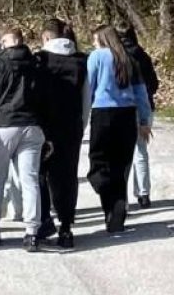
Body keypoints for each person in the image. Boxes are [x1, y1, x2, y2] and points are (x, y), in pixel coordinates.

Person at [0, 28, 48, 251]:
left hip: (4, 124)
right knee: (30, 179)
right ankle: (32, 232)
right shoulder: (36, 64)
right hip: (32, 125)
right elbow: (45, 97)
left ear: (5, 42)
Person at [87, 25, 153, 233]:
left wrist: (81, 117)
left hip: (103, 112)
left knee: (98, 163)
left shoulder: (97, 57)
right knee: (120, 165)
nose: (94, 44)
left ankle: (110, 201)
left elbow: (88, 87)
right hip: (127, 114)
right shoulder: (129, 59)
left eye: (96, 40)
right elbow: (142, 93)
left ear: (103, 40)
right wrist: (144, 121)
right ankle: (116, 210)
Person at [36, 18, 88, 249]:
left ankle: (44, 218)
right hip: (71, 126)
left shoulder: (39, 60)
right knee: (67, 177)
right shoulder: (81, 61)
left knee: (39, 174)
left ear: (46, 38)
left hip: (43, 126)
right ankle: (66, 227)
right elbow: (86, 99)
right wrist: (81, 125)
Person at [119, 25, 160, 209]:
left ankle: (122, 198)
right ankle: (144, 193)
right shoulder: (143, 56)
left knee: (122, 156)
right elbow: (154, 83)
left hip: (123, 107)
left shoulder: (116, 58)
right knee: (141, 150)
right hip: (144, 105)